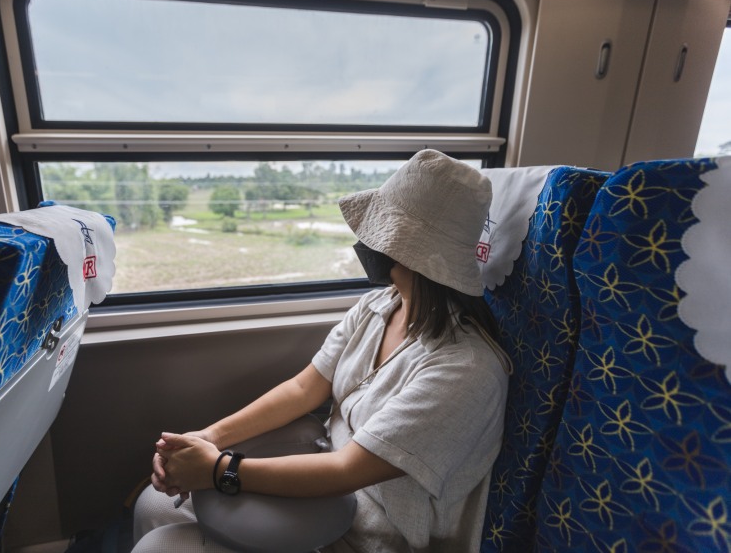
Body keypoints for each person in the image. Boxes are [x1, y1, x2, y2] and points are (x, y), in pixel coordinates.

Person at [132, 150, 510, 553]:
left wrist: (218, 469)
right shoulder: (378, 307)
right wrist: (207, 438)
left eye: (380, 230)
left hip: (367, 532)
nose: (367, 241)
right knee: (153, 505)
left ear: (409, 250)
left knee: (159, 548)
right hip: (321, 480)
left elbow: (347, 470)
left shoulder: (466, 370)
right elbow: (304, 389)